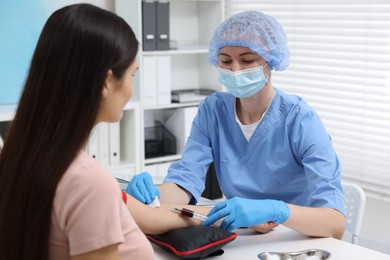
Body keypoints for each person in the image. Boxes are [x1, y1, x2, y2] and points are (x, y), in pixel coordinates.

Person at [0, 4, 211, 260]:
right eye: (133, 74)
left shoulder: (20, 157)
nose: (133, 88)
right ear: (105, 82)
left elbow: (155, 215)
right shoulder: (89, 183)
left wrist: (219, 214)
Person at [126, 10, 346, 239]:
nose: (235, 70)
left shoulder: (300, 120)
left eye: (247, 60)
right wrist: (152, 194)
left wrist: (277, 210)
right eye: (226, 60)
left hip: (296, 239)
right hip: (242, 236)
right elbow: (185, 183)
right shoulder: (212, 111)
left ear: (270, 60)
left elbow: (335, 223)